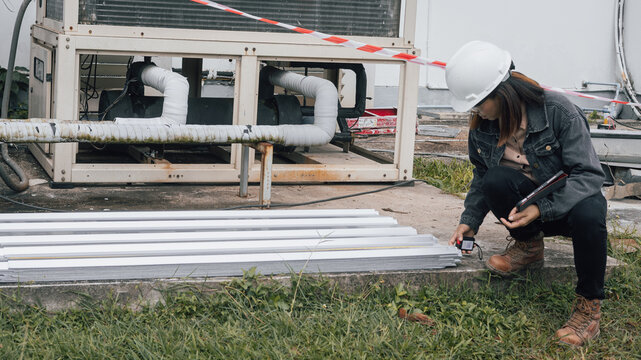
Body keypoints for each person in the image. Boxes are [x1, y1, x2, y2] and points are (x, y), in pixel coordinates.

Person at [445, 41, 607, 347]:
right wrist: (470, 221)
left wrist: (542, 209)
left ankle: (589, 308)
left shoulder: (559, 112)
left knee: (591, 213)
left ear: (501, 93)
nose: (476, 111)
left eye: (479, 103)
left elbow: (589, 175)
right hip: (528, 208)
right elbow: (481, 176)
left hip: (568, 205)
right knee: (494, 179)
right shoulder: (482, 126)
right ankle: (529, 248)